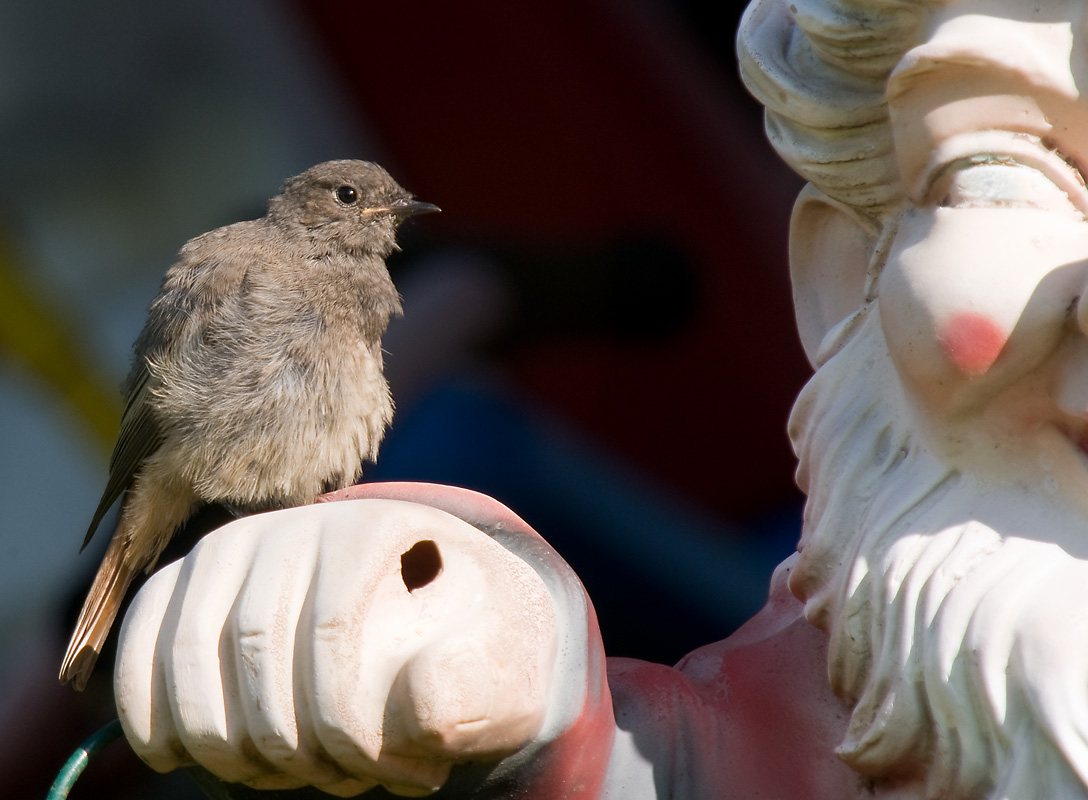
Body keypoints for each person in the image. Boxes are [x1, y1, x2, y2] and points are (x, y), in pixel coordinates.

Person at [113, 0, 1088, 796]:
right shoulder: (878, 673)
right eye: (997, 176)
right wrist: (502, 650)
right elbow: (675, 754)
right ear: (847, 276)